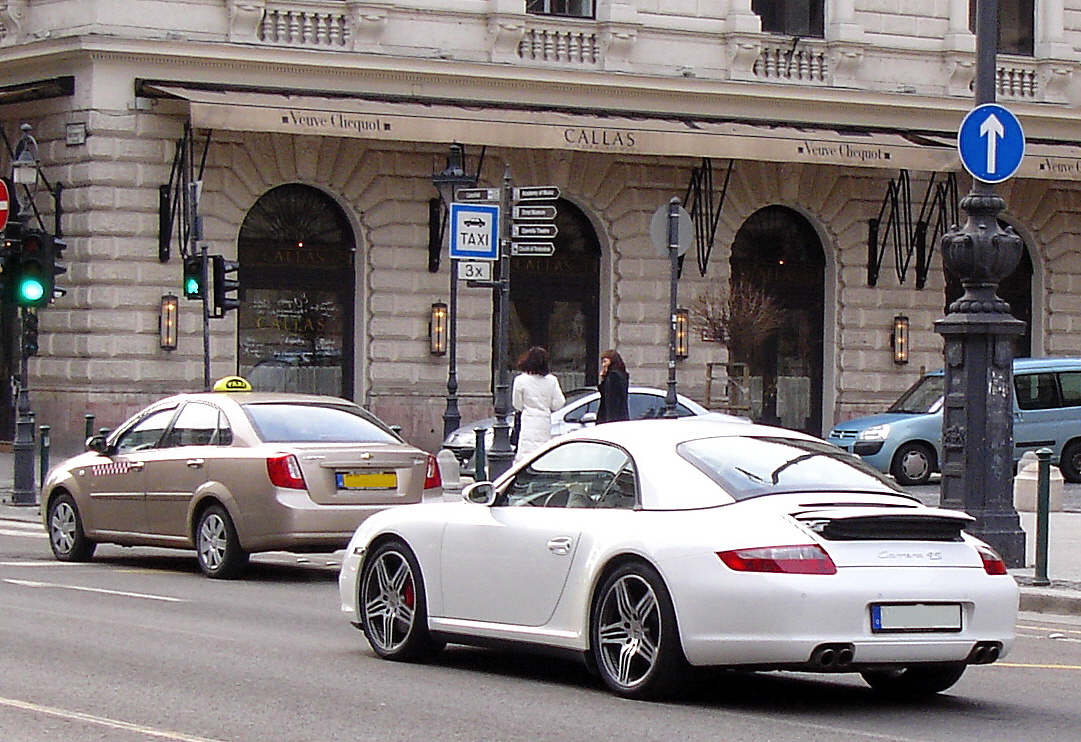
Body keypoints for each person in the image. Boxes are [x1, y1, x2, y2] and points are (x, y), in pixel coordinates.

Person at [512, 346, 565, 463]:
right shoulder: (552, 380)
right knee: (542, 453)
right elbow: (559, 402)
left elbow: (517, 404)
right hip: (544, 420)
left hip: (528, 419)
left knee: (525, 454)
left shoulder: (520, 380)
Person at [596, 349, 629, 423]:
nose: (603, 365)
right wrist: (604, 378)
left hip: (612, 418)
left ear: (612, 360)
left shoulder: (614, 375)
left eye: (605, 361)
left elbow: (611, 399)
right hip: (618, 417)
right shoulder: (620, 374)